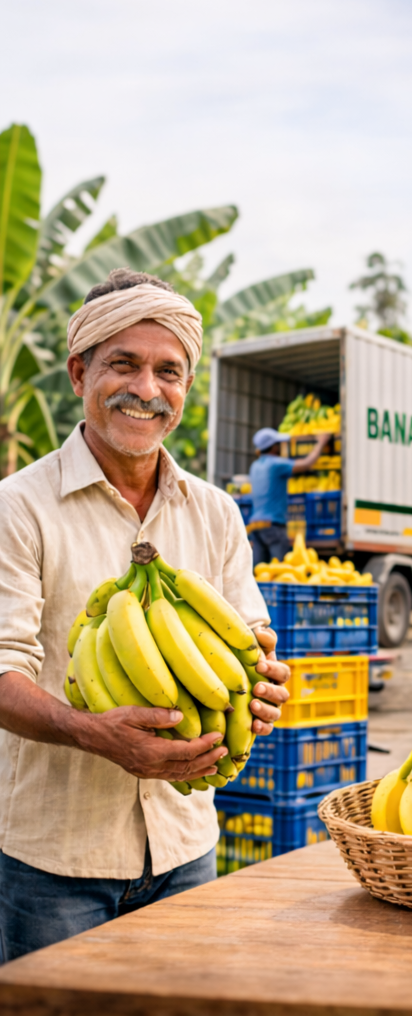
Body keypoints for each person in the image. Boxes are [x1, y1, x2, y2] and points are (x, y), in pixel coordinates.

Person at [0, 268, 291, 961]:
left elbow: (247, 637)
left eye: (169, 371)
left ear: (186, 388)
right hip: (54, 863)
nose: (148, 390)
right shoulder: (19, 507)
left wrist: (264, 681)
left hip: (188, 848)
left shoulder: (217, 512)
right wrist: (93, 732)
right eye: (123, 364)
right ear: (79, 373)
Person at [247, 428, 331, 565]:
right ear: (274, 447)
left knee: (260, 571)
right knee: (280, 569)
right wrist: (321, 443)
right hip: (273, 526)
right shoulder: (275, 464)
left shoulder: (254, 466)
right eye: (279, 444)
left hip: (256, 526)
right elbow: (307, 464)